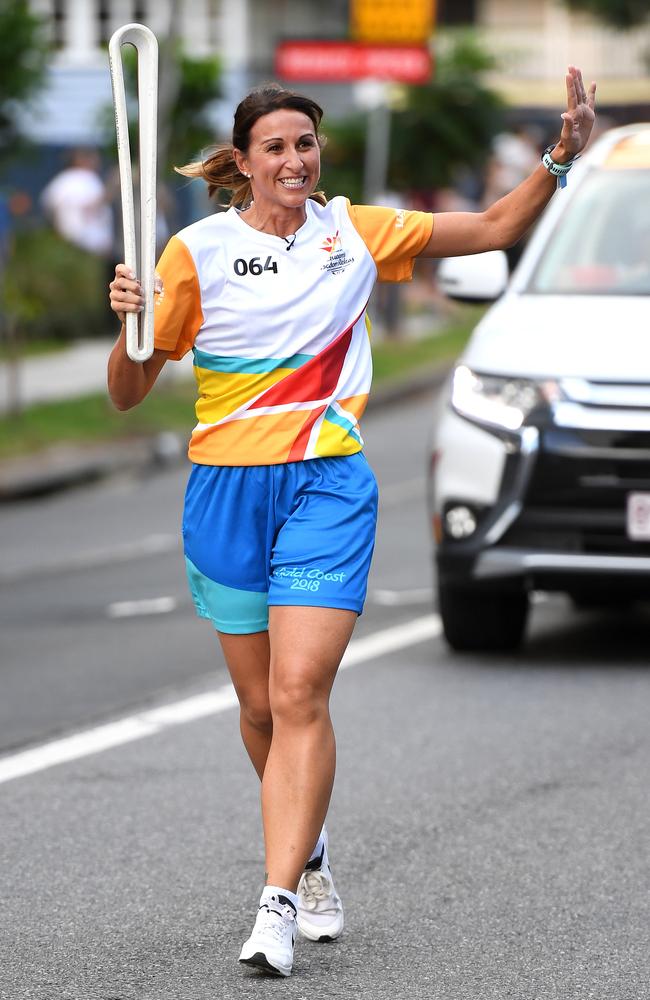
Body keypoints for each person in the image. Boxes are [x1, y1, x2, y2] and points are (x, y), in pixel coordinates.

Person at [107, 67, 596, 977]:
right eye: (277, 149)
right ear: (245, 164)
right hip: (225, 489)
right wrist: (129, 329)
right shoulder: (195, 253)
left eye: (306, 144)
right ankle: (314, 850)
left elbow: (491, 227)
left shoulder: (353, 231)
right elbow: (131, 394)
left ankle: (279, 901)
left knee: (299, 694)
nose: (296, 161)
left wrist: (562, 156)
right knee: (258, 707)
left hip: (327, 481)